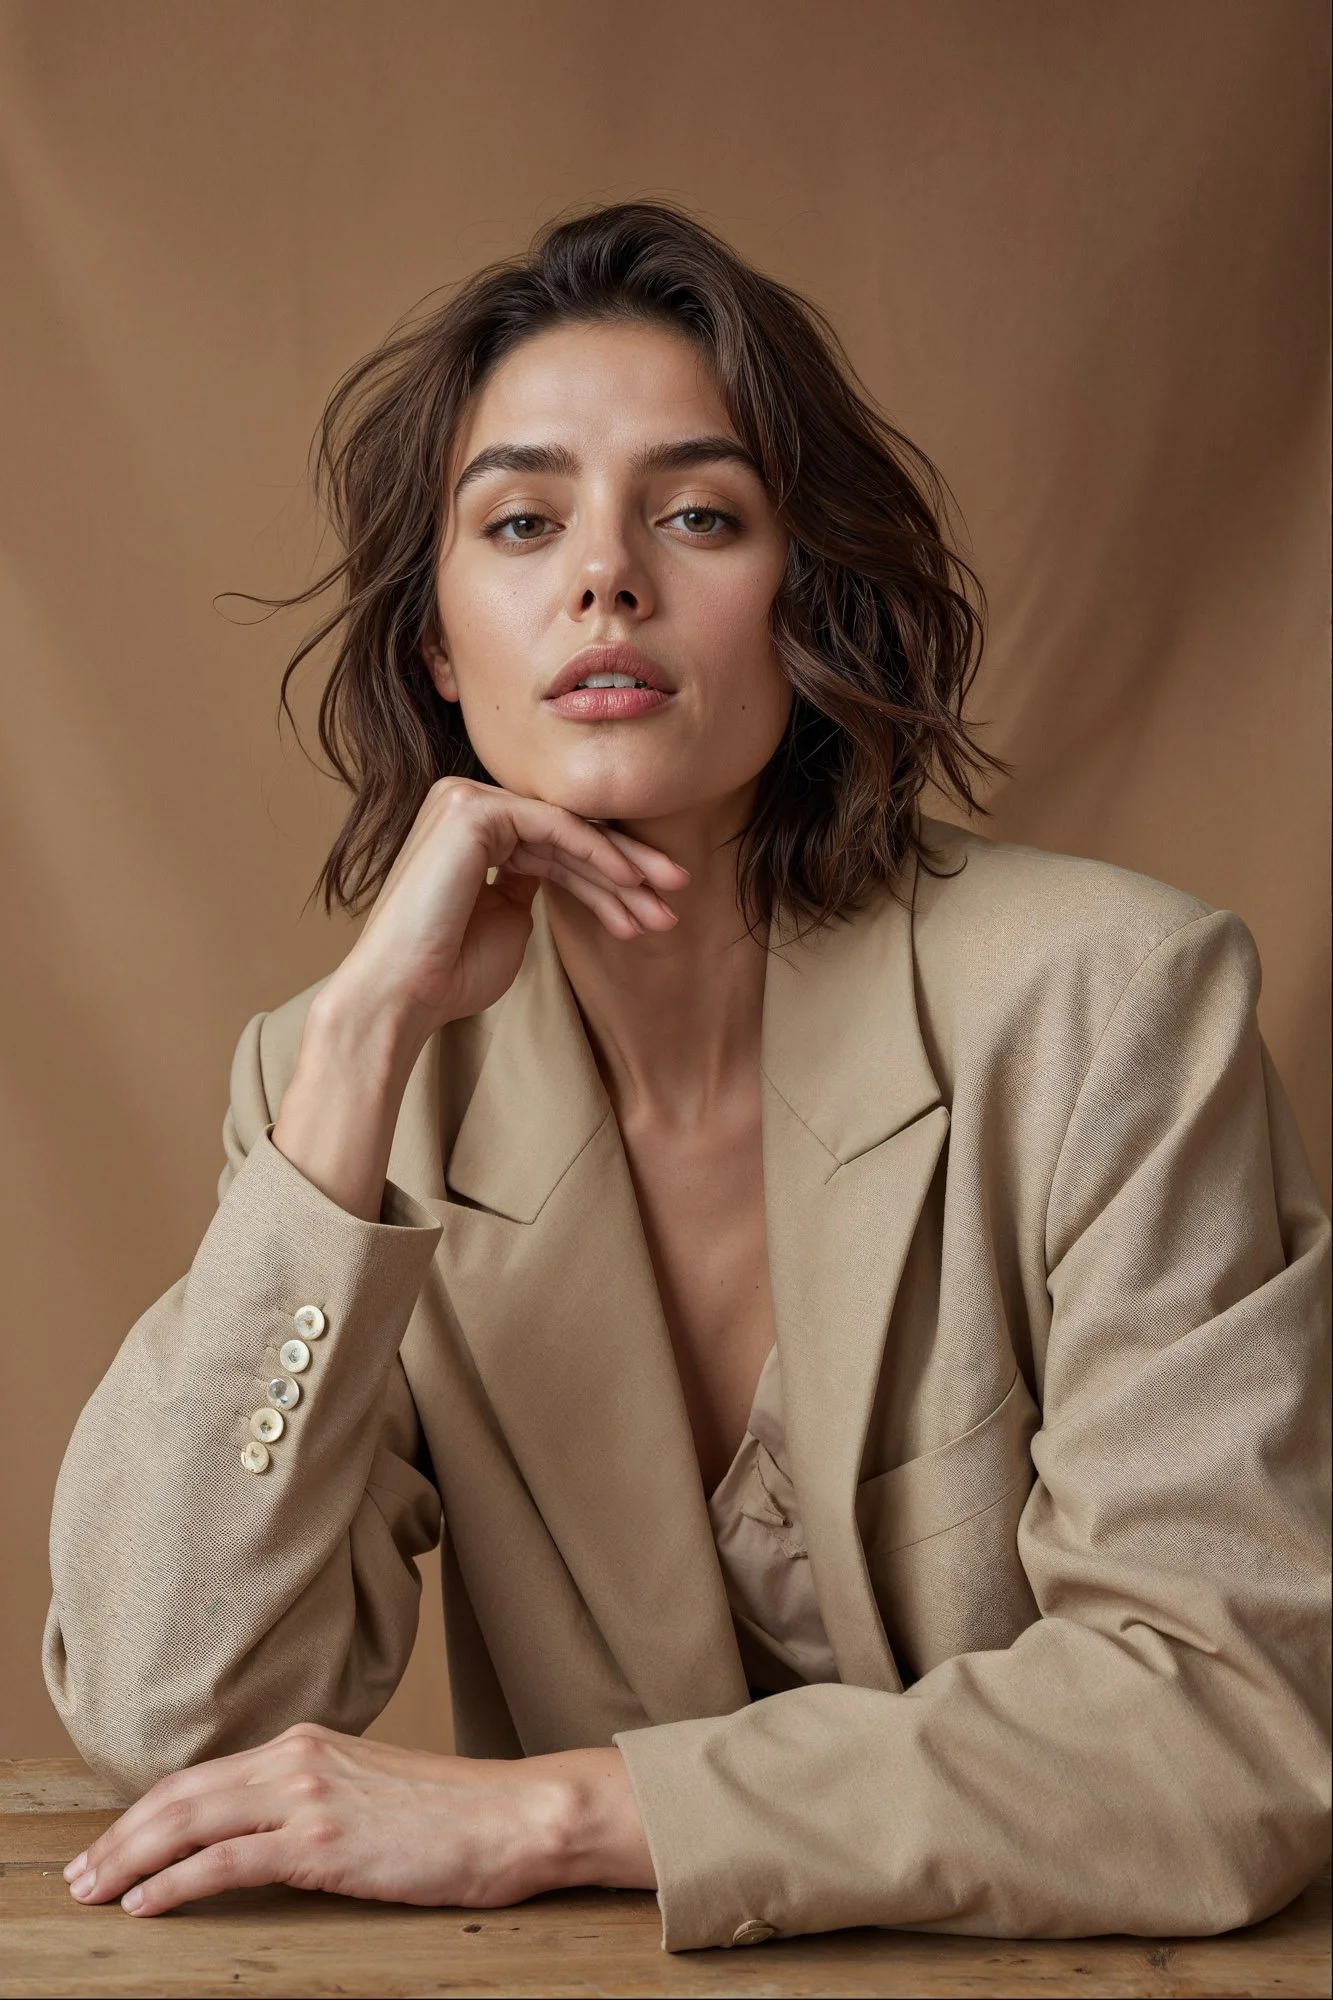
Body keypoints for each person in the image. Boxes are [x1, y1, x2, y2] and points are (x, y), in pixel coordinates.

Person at [43, 201, 1330, 1954]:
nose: (607, 577)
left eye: (701, 514)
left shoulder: (1110, 1005)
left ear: (809, 602)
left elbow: (1227, 1734)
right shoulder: (355, 1084)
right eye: (522, 521)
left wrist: (566, 1811)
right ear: (436, 645)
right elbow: (164, 1708)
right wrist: (348, 1058)